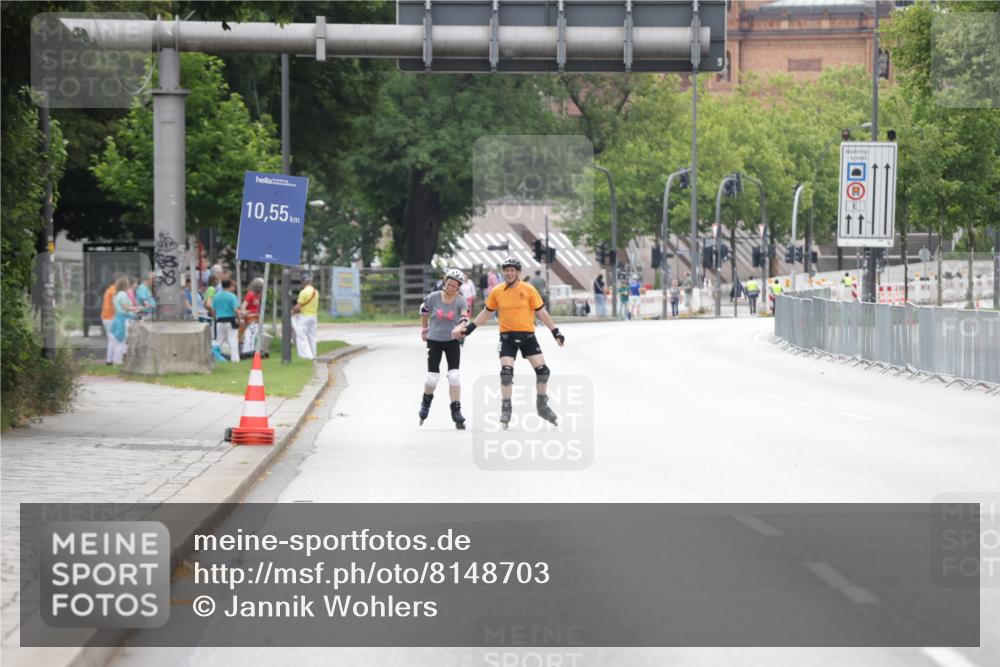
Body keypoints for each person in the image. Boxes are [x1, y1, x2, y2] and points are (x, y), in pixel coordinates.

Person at [452, 257, 565, 429]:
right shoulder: (497, 291)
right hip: (507, 338)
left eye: (512, 270)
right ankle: (506, 408)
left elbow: (541, 312)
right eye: (506, 270)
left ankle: (542, 406)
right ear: (503, 272)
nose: (509, 273)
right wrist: (468, 330)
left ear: (518, 272)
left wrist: (555, 331)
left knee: (543, 371)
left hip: (528, 336)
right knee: (506, 372)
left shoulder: (528, 289)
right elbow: (486, 313)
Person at [418, 268, 470, 429]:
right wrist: (424, 328)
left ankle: (456, 410)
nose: (450, 288)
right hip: (434, 340)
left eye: (454, 286)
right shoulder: (433, 297)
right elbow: (424, 311)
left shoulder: (461, 301)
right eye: (448, 284)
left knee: (454, 376)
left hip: (452, 340)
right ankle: (426, 402)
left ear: (459, 286)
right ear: (444, 281)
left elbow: (464, 317)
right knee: (432, 378)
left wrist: (461, 326)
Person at [109, 276, 137, 365]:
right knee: (121, 342)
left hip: (117, 319)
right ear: (126, 284)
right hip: (122, 320)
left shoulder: (117, 294)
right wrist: (136, 308)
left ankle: (116, 361)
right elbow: (126, 307)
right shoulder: (123, 294)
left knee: (117, 342)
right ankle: (118, 362)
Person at [291, 272, 319, 360]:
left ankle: (305, 356)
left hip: (304, 316)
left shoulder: (304, 292)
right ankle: (314, 355)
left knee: (301, 336)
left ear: (303, 282)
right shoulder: (316, 292)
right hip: (314, 316)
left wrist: (292, 311)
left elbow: (299, 306)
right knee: (312, 337)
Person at [211, 279, 240, 362]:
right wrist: (238, 319)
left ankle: (213, 356)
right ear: (230, 285)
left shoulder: (216, 296)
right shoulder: (232, 296)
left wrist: (215, 319)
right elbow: (235, 310)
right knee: (233, 340)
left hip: (219, 320)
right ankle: (235, 359)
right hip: (231, 320)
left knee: (218, 341)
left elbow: (213, 311)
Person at [100, 273, 121, 365]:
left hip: (107, 316)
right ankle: (112, 360)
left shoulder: (110, 289)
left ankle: (109, 359)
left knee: (111, 339)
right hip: (110, 317)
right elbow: (116, 304)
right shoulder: (114, 291)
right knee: (113, 339)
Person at [241, 277, 264, 356]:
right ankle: (248, 352)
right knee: (249, 336)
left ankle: (249, 351)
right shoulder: (250, 294)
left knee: (252, 336)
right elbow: (243, 306)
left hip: (256, 318)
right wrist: (247, 313)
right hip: (251, 318)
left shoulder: (258, 295)